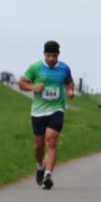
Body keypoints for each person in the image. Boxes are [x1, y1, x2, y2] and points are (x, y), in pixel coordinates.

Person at [18, 41, 75, 190]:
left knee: (51, 140)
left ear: (58, 55)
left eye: (54, 56)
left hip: (57, 109)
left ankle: (48, 175)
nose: (51, 59)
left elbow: (69, 82)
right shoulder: (35, 67)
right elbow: (22, 84)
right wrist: (33, 87)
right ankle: (40, 166)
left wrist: (70, 91)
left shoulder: (64, 68)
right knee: (39, 144)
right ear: (44, 54)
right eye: (49, 55)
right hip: (38, 111)